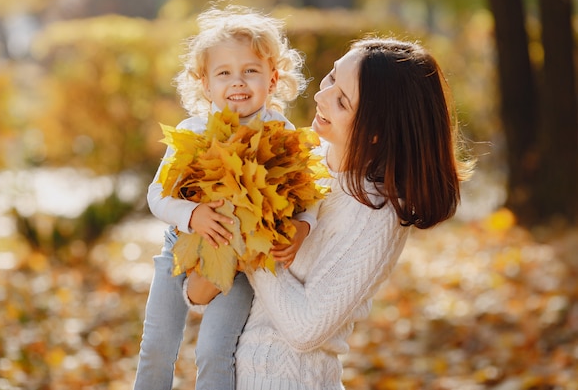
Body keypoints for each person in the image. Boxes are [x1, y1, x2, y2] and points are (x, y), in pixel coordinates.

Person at [186, 36, 474, 389]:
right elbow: (200, 294)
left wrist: (251, 238)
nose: (321, 96)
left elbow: (306, 330)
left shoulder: (377, 214)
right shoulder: (294, 157)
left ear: (376, 132)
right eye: (332, 78)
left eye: (341, 100)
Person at [133, 4, 314, 390]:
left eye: (251, 70)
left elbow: (306, 190)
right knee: (157, 346)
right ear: (205, 83)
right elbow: (156, 195)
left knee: (216, 349)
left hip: (240, 262)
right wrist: (192, 213)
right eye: (224, 73)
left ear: (273, 77)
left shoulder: (279, 131)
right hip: (180, 247)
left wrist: (303, 226)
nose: (238, 82)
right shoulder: (193, 130)